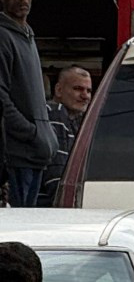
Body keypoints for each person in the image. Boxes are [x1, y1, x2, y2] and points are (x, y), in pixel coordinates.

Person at [0, 0, 56, 208]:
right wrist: (30, 133)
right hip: (18, 155)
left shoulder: (27, 34)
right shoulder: (3, 36)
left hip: (35, 154)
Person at [37, 68, 91, 207]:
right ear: (59, 90)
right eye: (78, 89)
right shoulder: (55, 112)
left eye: (89, 91)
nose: (85, 96)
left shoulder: (76, 121)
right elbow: (56, 178)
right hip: (48, 209)